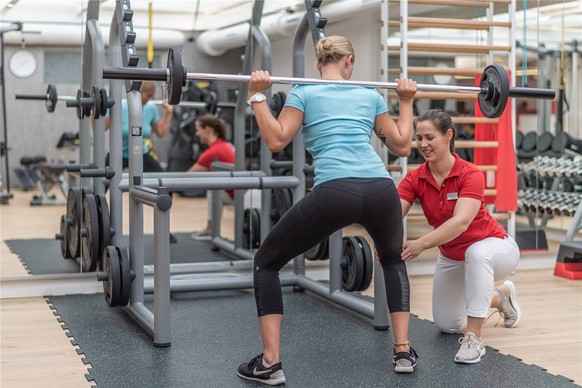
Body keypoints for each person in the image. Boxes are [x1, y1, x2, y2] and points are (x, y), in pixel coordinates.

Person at [236, 35, 418, 386]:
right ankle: (403, 351)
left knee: (267, 262)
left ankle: (270, 363)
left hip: (337, 190)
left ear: (319, 64)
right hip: (381, 190)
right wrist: (407, 101)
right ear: (349, 62)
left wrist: (257, 95)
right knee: (392, 259)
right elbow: (402, 146)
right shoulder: (369, 93)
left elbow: (276, 140)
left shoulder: (304, 91)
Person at [397, 109, 521, 364]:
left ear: (448, 136)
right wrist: (382, 238)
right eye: (419, 138)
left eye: (429, 137)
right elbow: (392, 213)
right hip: (452, 255)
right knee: (448, 324)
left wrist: (421, 243)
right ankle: (500, 297)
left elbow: (461, 222)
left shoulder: (470, 174)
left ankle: (474, 340)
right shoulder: (415, 178)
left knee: (476, 253)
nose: (422, 144)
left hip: (495, 248)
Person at [104, 80, 177, 242]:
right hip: (117, 154)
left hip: (140, 153)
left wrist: (169, 112)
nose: (149, 99)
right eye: (147, 96)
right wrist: (96, 111)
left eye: (152, 96)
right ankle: (98, 228)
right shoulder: (119, 106)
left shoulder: (151, 108)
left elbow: (161, 133)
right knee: (99, 186)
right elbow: (101, 127)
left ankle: (164, 229)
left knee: (165, 184)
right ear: (137, 93)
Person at [187, 114, 235, 240]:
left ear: (207, 129)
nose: (197, 134)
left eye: (198, 129)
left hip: (244, 197)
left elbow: (186, 177)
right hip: (241, 193)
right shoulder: (225, 145)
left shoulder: (213, 152)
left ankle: (210, 229)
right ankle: (210, 229)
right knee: (214, 189)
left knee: (214, 189)